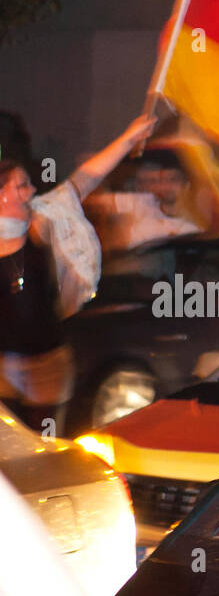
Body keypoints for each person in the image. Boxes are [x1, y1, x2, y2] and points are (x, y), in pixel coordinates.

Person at [0, 114, 156, 433]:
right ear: (2, 195)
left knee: (42, 444)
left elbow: (85, 178)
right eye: (21, 185)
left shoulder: (41, 222)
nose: (30, 191)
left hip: (46, 365)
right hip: (3, 367)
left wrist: (128, 137)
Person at [89, 146, 201, 250]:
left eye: (173, 180)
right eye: (163, 180)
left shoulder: (189, 231)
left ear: (186, 185)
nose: (165, 186)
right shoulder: (144, 201)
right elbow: (94, 202)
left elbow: (180, 271)